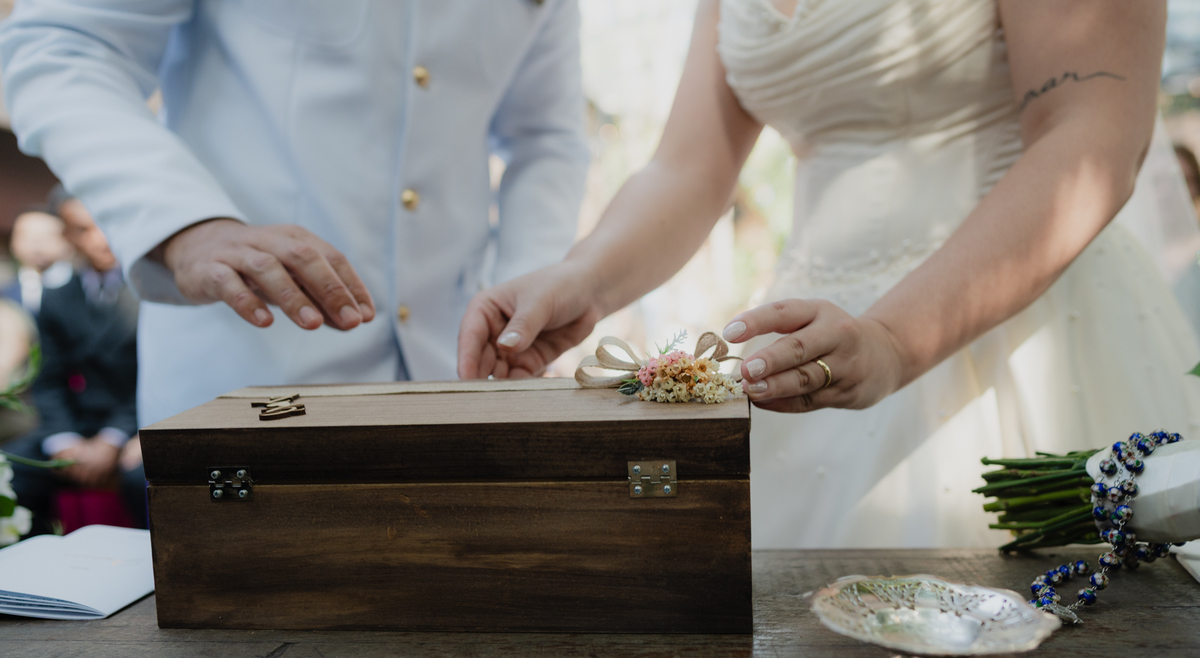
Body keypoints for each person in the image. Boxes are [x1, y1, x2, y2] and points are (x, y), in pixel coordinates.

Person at [458, 0, 1200, 548]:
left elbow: (1093, 133)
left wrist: (893, 337)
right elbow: (690, 166)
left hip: (1012, 330)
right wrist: (583, 278)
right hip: (808, 345)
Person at [0, 1, 589, 427]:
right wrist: (185, 227)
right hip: (247, 385)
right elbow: (62, 47)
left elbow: (546, 138)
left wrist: (524, 285)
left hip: (461, 379)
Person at [6, 189, 144, 535]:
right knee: (10, 473)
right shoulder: (56, 297)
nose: (100, 239)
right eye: (83, 229)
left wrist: (114, 439)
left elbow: (161, 376)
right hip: (79, 428)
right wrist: (64, 440)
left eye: (106, 225)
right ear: (66, 234)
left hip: (139, 427)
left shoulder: (152, 291)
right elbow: (48, 378)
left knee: (142, 481)